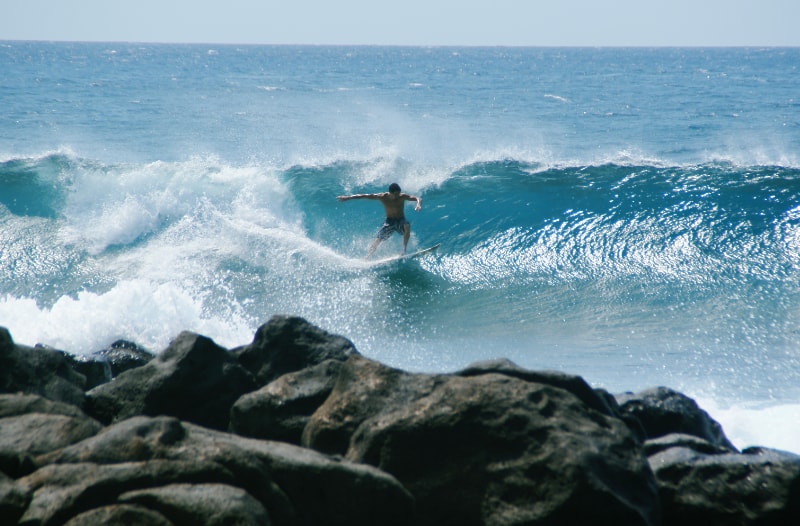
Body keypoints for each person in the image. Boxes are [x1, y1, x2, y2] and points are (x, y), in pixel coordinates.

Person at [337, 182, 422, 258]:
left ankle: (403, 250)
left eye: (398, 194)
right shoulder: (382, 197)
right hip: (389, 221)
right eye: (395, 194)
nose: (397, 196)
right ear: (390, 193)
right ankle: (367, 257)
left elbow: (417, 198)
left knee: (407, 225)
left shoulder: (402, 196)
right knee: (378, 239)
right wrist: (347, 198)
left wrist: (418, 204)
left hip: (400, 220)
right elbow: (363, 196)